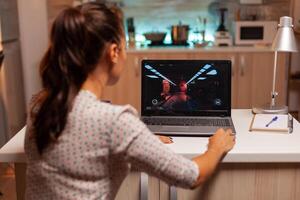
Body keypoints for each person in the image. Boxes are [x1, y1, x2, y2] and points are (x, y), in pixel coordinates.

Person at [24, 2, 235, 200]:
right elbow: (191, 176)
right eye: (125, 46)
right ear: (114, 52)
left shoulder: (40, 107)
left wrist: (138, 135)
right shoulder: (115, 122)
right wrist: (216, 148)